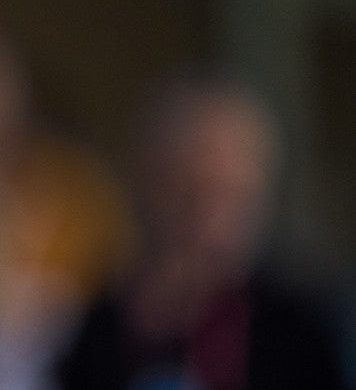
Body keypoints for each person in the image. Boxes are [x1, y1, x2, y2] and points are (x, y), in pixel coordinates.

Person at [56, 72, 346, 389]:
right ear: (145, 185)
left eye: (229, 192)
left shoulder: (303, 320)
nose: (207, 215)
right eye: (186, 189)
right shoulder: (103, 320)